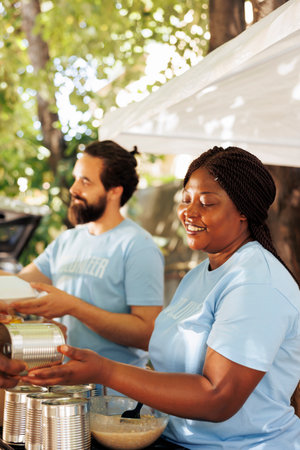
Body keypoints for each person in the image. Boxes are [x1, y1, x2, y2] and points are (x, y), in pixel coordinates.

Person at [21, 146, 300, 449]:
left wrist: (105, 369)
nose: (189, 212)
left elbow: (218, 398)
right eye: (186, 199)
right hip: (171, 439)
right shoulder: (198, 275)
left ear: (244, 211)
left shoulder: (256, 283)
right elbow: (168, 367)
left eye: (206, 202)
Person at [1, 140, 164, 389]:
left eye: (86, 181)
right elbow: (18, 286)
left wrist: (74, 307)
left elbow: (148, 335)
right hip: (66, 391)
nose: (74, 188)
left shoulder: (138, 245)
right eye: (76, 178)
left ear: (114, 191)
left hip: (116, 402)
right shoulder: (68, 240)